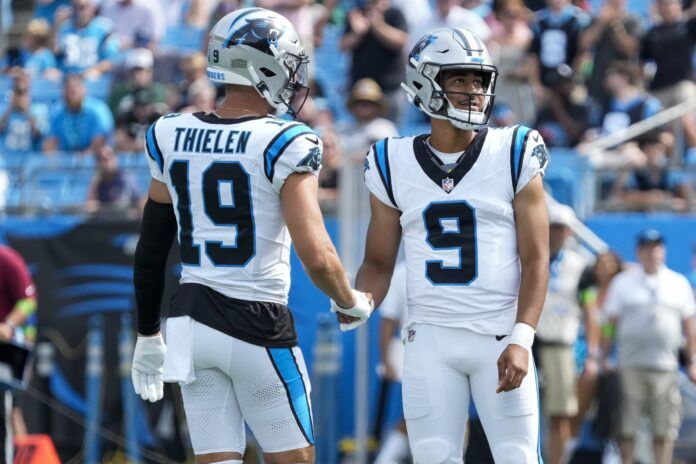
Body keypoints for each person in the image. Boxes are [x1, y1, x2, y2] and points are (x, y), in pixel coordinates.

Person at [129, 8, 372, 464]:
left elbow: (151, 248)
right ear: (261, 66)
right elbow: (316, 254)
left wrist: (147, 332)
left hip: (190, 320)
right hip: (256, 322)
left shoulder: (170, 132)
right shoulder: (285, 140)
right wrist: (348, 299)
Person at [337, 27, 551, 463]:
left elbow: (536, 258)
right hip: (429, 340)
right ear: (424, 83)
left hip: (499, 335)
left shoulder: (512, 149)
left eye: (478, 80)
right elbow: (378, 261)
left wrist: (522, 338)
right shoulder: (390, 160)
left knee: (518, 458)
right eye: (458, 79)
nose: (473, 91)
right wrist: (358, 300)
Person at [601, 229, 696, 464]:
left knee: (664, 428)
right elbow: (610, 324)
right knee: (627, 427)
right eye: (647, 248)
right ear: (638, 251)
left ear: (663, 251)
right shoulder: (623, 283)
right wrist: (602, 355)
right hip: (629, 366)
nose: (652, 253)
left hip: (665, 367)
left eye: (656, 247)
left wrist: (693, 361)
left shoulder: (678, 283)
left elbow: (689, 326)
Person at [534, 204, 593, 464]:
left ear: (570, 231)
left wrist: (591, 351)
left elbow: (589, 309)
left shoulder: (581, 266)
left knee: (559, 415)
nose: (557, 232)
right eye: (553, 227)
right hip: (529, 343)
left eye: (562, 228)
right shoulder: (532, 255)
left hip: (560, 345)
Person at [340, 0, 409, 123]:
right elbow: (343, 46)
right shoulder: (356, 14)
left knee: (390, 133)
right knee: (361, 135)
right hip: (361, 91)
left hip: (389, 88)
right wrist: (357, 33)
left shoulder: (394, 13)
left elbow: (401, 41)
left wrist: (378, 26)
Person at [0, 245, 37, 464]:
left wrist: (8, 324)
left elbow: (28, 301)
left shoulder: (6, 259)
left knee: (9, 413)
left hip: (4, 354)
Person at [42, 73, 114, 153]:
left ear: (84, 89)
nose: (73, 92)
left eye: (76, 87)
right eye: (68, 88)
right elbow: (49, 144)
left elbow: (99, 143)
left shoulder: (98, 109)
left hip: (95, 161)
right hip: (65, 161)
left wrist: (80, 161)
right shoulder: (57, 113)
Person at [53, 0, 119, 79]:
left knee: (91, 76)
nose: (79, 11)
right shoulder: (64, 28)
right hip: (67, 76)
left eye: (83, 7)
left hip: (93, 76)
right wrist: (56, 26)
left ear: (93, 8)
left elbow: (111, 60)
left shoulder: (105, 28)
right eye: (75, 7)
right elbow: (56, 54)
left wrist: (96, 69)